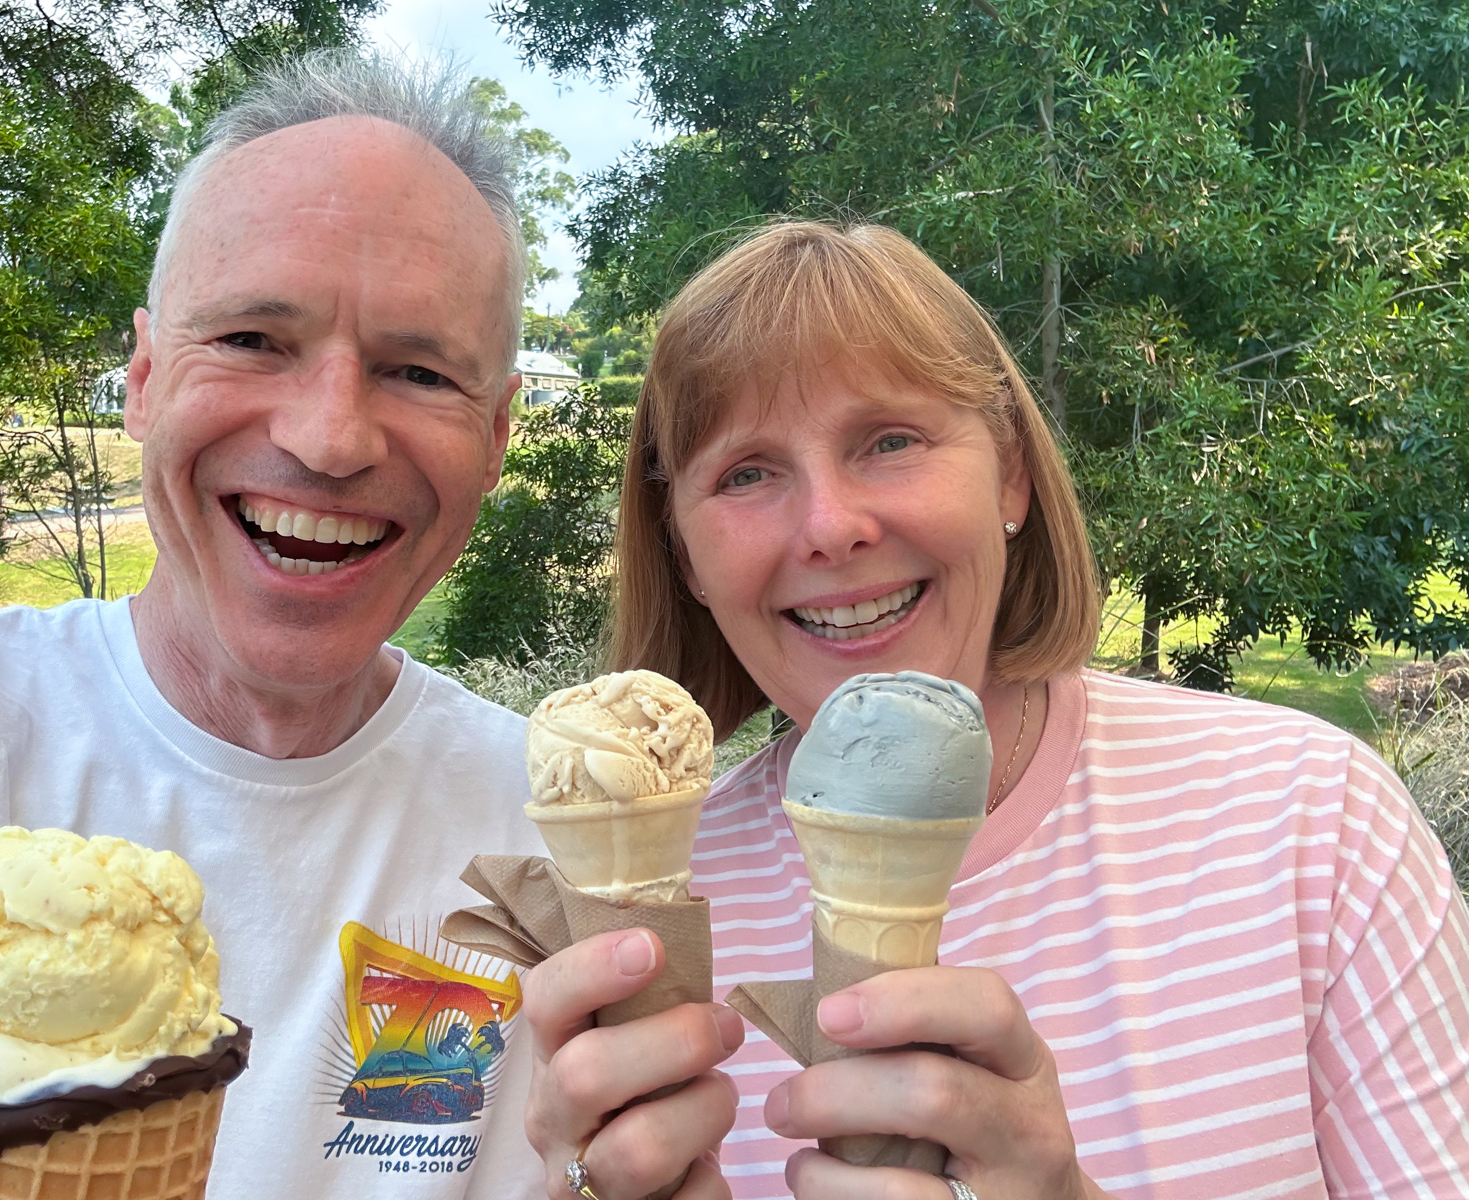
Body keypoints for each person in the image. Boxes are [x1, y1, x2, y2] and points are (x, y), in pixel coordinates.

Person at [0, 53, 554, 1199]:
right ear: (142, 379)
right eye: (250, 340)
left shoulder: (552, 833)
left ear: (495, 435)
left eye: (420, 370)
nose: (333, 437)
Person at [525, 221, 1469, 1200]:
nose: (831, 528)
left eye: (889, 441)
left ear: (1009, 473)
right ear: (685, 556)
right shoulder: (639, 935)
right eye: (747, 474)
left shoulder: (1316, 823)